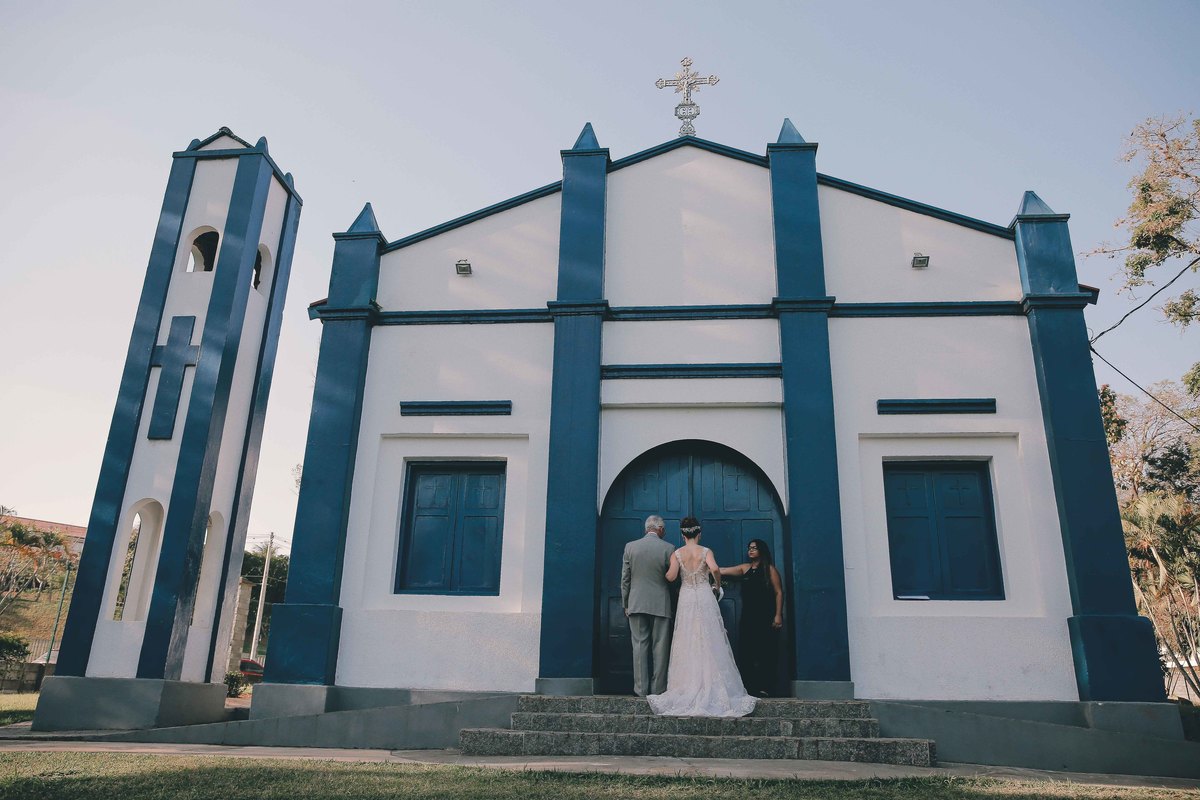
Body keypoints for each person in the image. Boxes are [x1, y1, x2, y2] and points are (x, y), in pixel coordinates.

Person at [647, 517, 756, 717]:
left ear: (682, 535)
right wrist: (716, 584)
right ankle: (714, 685)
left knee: (687, 639)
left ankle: (687, 685)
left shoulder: (677, 553)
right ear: (699, 534)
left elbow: (671, 577)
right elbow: (714, 568)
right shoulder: (706, 551)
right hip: (704, 595)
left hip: (687, 597)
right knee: (710, 638)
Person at [721, 538, 784, 697]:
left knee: (766, 652)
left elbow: (778, 592)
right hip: (748, 617)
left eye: (754, 548)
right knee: (747, 651)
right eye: (749, 548)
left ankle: (766, 687)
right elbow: (723, 570)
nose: (750, 550)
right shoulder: (745, 568)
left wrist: (778, 615)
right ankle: (749, 687)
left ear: (761, 550)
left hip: (766, 616)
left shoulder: (770, 570)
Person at [621, 514, 675, 697]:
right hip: (661, 603)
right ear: (659, 529)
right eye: (664, 529)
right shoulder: (669, 548)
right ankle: (658, 690)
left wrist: (626, 603)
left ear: (646, 528)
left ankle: (641, 690)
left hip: (636, 602)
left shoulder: (630, 547)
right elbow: (673, 579)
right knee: (660, 647)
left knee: (639, 646)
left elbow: (625, 579)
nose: (665, 532)